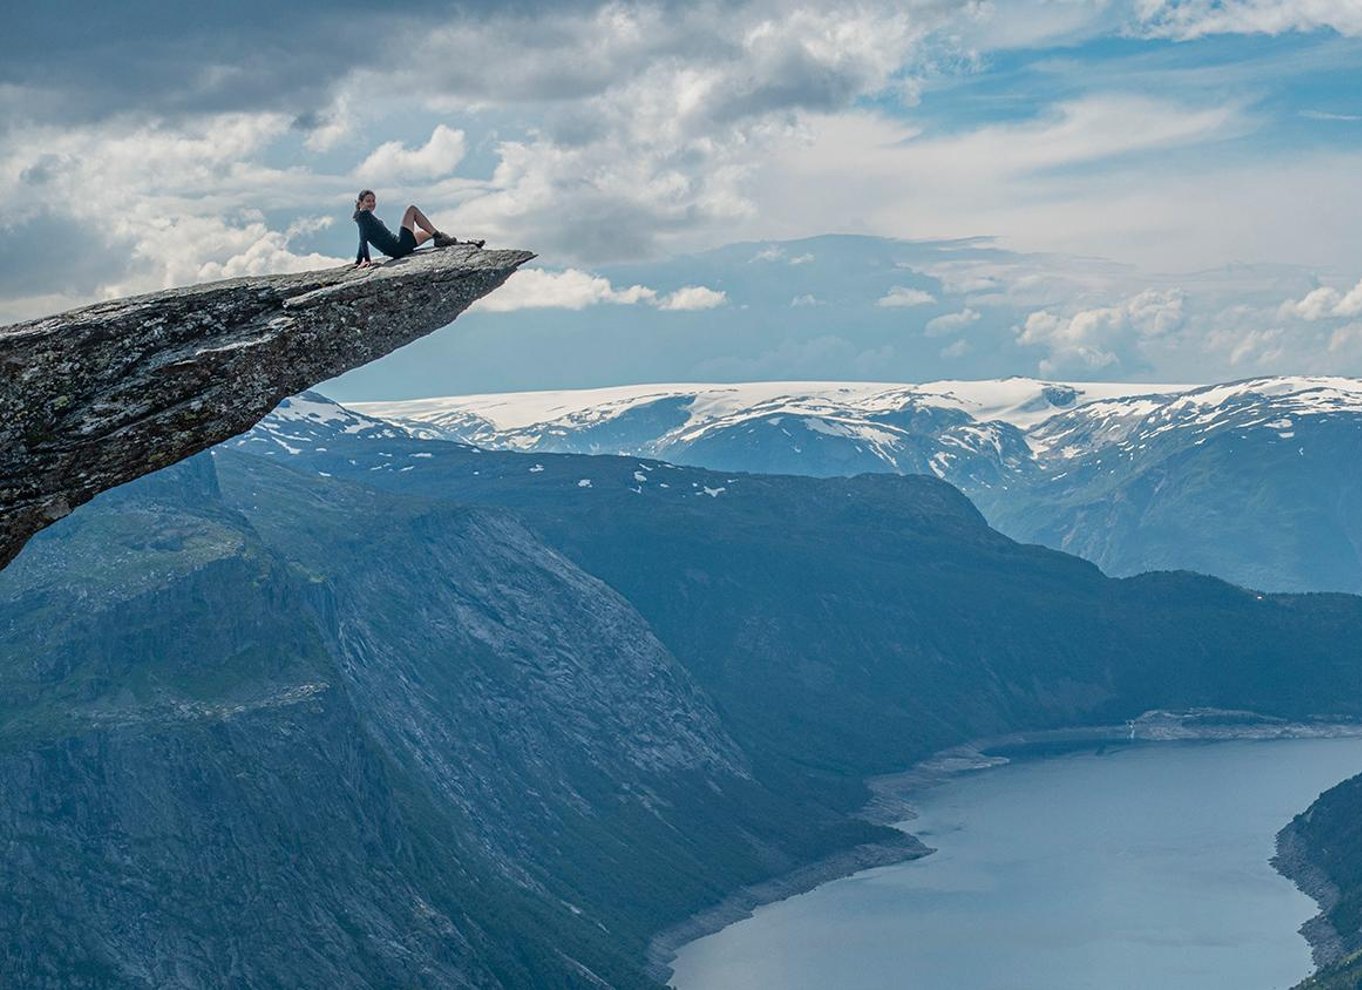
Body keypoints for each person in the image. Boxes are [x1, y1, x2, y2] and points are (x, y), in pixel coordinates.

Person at [352, 190, 483, 267]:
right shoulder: (364, 216)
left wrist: (358, 261)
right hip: (399, 246)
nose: (372, 203)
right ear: (360, 202)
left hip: (399, 247)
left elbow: (363, 238)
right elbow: (363, 238)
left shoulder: (362, 217)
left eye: (373, 201)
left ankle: (461, 244)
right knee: (412, 209)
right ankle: (440, 237)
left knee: (428, 233)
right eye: (368, 201)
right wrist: (367, 260)